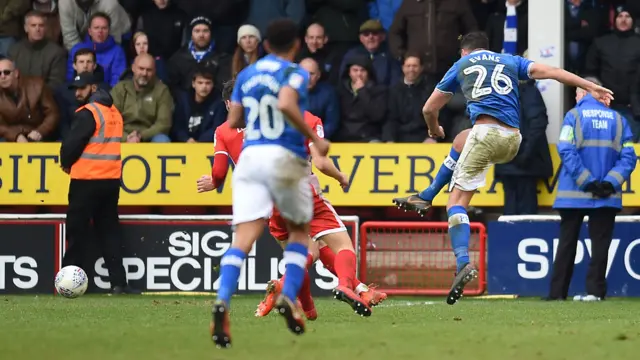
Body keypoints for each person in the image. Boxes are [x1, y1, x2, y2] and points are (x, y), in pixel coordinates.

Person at [393, 31, 614, 305]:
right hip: (513, 139)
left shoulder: (462, 65)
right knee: (462, 139)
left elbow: (429, 108)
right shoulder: (510, 61)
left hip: (486, 135)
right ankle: (426, 195)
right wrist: (591, 87)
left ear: (465, 52)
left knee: (455, 204)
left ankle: (462, 262)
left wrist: (433, 127)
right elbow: (555, 72)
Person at [198, 81, 386, 321]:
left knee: (306, 252)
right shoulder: (291, 121)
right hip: (299, 190)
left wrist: (213, 182)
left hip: (266, 201)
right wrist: (340, 176)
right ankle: (338, 285)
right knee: (341, 247)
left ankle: (315, 307)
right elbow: (319, 161)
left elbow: (219, 173)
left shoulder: (225, 131)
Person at [208, 19, 330, 348]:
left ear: (264, 46)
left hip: (250, 159)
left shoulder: (247, 75)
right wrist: (315, 141)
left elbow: (234, 121)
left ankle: (222, 301)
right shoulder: (295, 73)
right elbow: (288, 104)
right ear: (295, 46)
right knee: (300, 235)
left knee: (243, 239)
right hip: (284, 157)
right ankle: (288, 297)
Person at [547, 77, 636, 301]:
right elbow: (629, 157)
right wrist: (610, 183)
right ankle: (596, 292)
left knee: (566, 244)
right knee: (600, 246)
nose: (576, 98)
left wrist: (586, 180)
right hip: (607, 195)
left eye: (577, 94)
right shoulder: (618, 119)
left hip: (572, 194)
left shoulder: (573, 116)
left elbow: (566, 150)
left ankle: (557, 294)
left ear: (583, 93)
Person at [59, 72, 138, 295]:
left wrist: (65, 162)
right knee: (109, 232)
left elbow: (72, 144)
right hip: (110, 181)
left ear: (93, 88)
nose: (77, 92)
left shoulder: (88, 113)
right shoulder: (114, 113)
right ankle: (119, 283)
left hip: (86, 180)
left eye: (81, 88)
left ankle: (69, 284)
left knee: (76, 232)